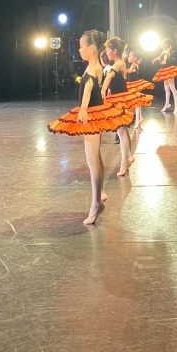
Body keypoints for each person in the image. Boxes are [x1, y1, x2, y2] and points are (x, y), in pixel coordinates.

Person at [48, 30, 133, 226]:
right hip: (94, 115)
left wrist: (84, 108)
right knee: (95, 159)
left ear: (92, 48)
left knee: (92, 160)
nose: (79, 50)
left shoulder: (94, 68)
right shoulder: (94, 67)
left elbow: (88, 89)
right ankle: (99, 195)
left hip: (91, 117)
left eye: (81, 47)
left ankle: (95, 204)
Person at [102, 37, 152, 177]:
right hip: (120, 98)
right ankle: (129, 156)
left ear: (114, 51)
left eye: (108, 50)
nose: (106, 52)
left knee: (121, 132)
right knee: (122, 131)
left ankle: (124, 163)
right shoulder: (121, 63)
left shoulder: (118, 64)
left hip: (118, 100)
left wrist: (103, 90)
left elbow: (109, 77)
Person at [152, 37, 177, 113]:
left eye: (163, 42)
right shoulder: (163, 51)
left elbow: (166, 56)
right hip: (164, 70)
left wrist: (164, 60)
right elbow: (161, 56)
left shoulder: (166, 51)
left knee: (172, 87)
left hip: (168, 71)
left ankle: (176, 104)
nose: (161, 44)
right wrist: (156, 59)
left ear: (166, 44)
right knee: (166, 88)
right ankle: (167, 104)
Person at [126, 49, 153, 128]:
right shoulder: (134, 64)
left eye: (130, 56)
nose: (128, 57)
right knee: (137, 103)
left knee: (137, 103)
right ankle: (140, 117)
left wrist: (122, 67)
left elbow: (128, 71)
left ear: (134, 58)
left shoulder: (134, 65)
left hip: (134, 85)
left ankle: (137, 120)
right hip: (133, 85)